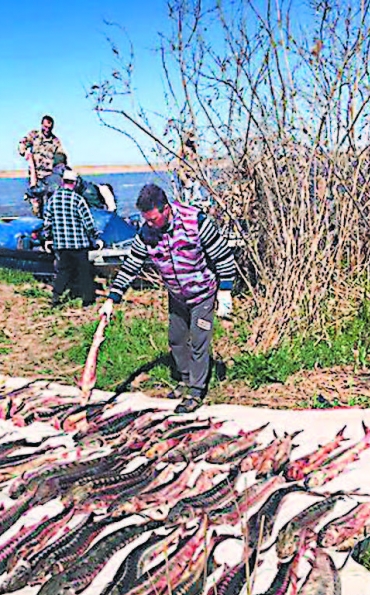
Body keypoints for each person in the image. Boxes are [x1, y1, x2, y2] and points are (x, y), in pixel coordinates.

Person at [99, 184, 237, 414]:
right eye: (147, 220)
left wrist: (225, 290)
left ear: (166, 209)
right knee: (176, 338)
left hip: (202, 293)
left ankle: (195, 391)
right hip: (176, 294)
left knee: (198, 342)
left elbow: (223, 256)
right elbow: (131, 265)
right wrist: (113, 298)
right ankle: (184, 378)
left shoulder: (196, 222)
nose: (150, 224)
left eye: (153, 219)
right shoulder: (146, 233)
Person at [43, 169, 102, 308]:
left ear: (62, 182)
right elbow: (88, 223)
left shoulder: (53, 200)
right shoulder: (78, 200)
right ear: (75, 183)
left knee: (63, 272)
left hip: (61, 244)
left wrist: (48, 239)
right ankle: (87, 300)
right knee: (84, 272)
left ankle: (56, 298)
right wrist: (96, 238)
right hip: (79, 244)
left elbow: (47, 222)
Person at [18, 115, 68, 218]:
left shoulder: (55, 141)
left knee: (52, 204)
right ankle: (38, 222)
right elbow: (21, 144)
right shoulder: (34, 135)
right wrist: (24, 153)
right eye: (45, 127)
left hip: (49, 176)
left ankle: (50, 226)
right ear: (42, 125)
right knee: (36, 205)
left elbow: (62, 156)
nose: (47, 129)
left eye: (49, 127)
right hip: (35, 176)